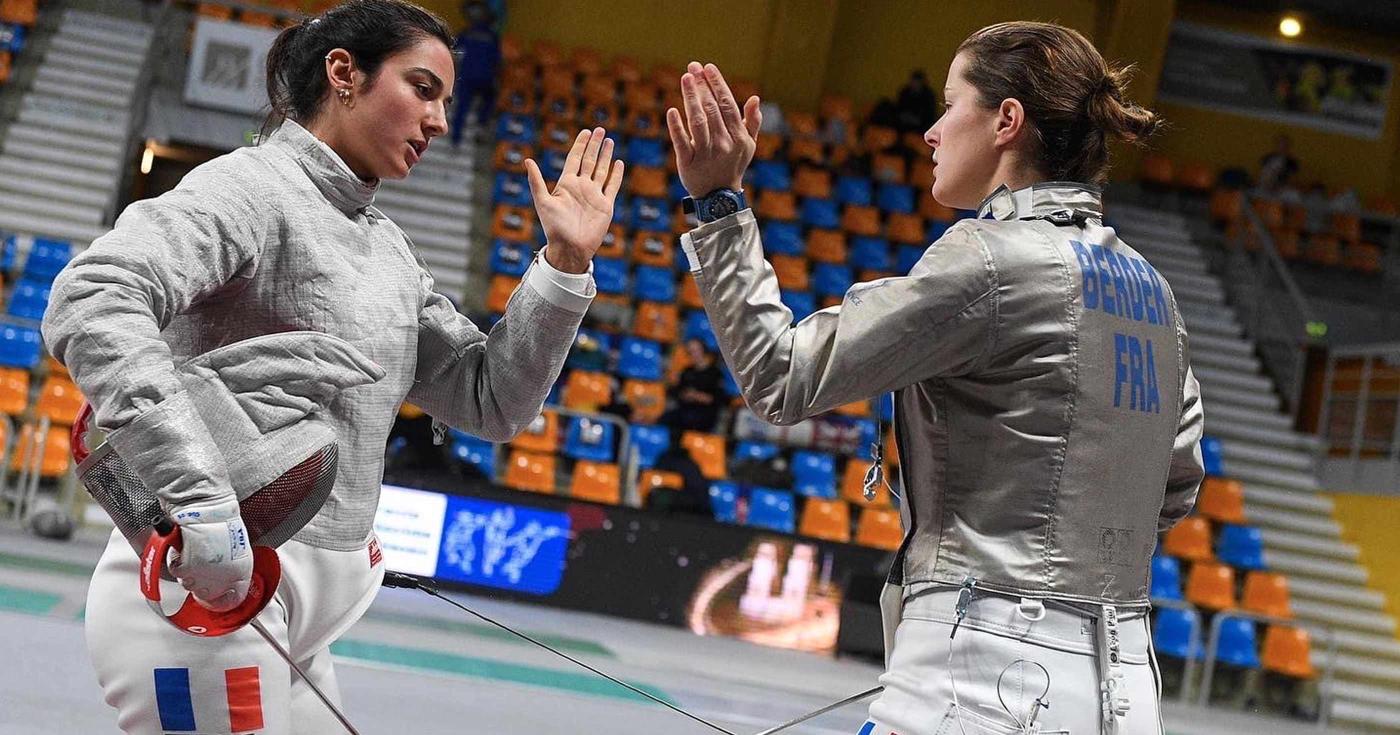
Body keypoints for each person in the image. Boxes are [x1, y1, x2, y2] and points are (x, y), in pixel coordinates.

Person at [41, 1, 624, 732]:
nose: (440, 120)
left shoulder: (388, 251)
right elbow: (92, 295)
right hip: (206, 607)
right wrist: (200, 499)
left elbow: (490, 400)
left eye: (444, 99)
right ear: (344, 73)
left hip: (299, 618)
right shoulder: (250, 187)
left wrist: (565, 266)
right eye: (422, 88)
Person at [666, 20, 1203, 735]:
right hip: (1127, 695)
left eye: (951, 105)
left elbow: (780, 373)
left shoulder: (991, 260)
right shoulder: (1154, 294)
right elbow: (1175, 483)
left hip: (984, 682)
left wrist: (718, 205)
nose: (931, 130)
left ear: (1006, 121)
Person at [449, 0, 500, 147]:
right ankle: (481, 124)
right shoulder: (492, 36)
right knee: (490, 99)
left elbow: (453, 49)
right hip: (485, 77)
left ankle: (456, 139)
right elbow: (497, 59)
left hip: (467, 76)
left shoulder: (467, 33)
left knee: (461, 108)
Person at [660, 337, 726, 433]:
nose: (693, 354)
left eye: (696, 350)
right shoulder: (687, 371)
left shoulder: (715, 373)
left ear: (704, 350)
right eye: (690, 351)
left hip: (704, 413)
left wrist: (696, 396)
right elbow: (678, 392)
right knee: (665, 419)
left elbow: (718, 399)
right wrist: (683, 394)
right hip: (685, 410)